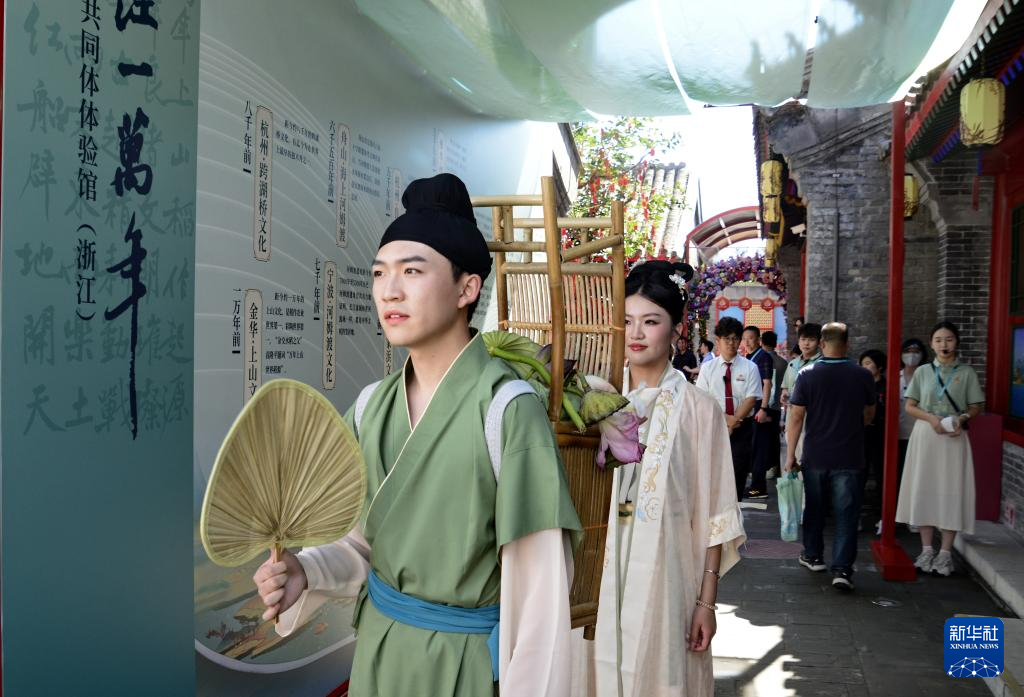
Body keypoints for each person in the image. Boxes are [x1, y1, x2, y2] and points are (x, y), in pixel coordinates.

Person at [252, 173, 582, 696]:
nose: (390, 290)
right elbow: (361, 544)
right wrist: (305, 571)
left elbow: (540, 597)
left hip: (463, 665)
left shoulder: (506, 409)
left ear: (467, 288)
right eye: (379, 273)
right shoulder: (370, 407)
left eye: (412, 270)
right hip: (379, 652)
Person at [574, 260, 745, 697]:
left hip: (668, 576)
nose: (636, 333)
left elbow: (716, 514)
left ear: (676, 329)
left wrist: (706, 602)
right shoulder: (592, 399)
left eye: (650, 321)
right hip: (595, 573)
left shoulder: (700, 410)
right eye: (628, 320)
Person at [786, 322, 876, 592]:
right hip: (850, 455)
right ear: (847, 344)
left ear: (822, 343)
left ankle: (813, 556)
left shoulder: (807, 374)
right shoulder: (862, 375)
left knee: (814, 508)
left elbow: (796, 417)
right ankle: (842, 569)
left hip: (816, 454)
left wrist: (790, 455)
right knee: (846, 513)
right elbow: (869, 414)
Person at [896, 322, 984, 577]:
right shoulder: (923, 372)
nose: (943, 344)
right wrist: (931, 419)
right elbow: (910, 406)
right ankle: (926, 550)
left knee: (951, 490)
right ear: (931, 344)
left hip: (954, 436)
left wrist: (962, 418)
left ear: (956, 342)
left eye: (948, 339)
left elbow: (976, 405)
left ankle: (945, 553)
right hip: (926, 434)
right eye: (938, 340)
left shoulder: (966, 372)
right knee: (923, 487)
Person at [696, 316, 763, 501]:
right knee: (713, 473)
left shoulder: (750, 367)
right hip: (714, 426)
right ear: (718, 341)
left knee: (737, 473)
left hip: (742, 428)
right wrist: (726, 420)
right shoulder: (708, 368)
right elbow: (703, 399)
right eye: (727, 339)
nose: (731, 343)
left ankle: (734, 510)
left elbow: (751, 399)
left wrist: (734, 422)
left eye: (735, 339)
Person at [781, 322, 822, 466]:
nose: (806, 343)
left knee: (808, 464)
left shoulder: (821, 364)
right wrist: (784, 394)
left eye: (811, 340)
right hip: (791, 420)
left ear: (819, 342)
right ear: (798, 341)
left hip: (811, 423)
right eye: (803, 339)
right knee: (793, 464)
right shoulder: (792, 364)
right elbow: (785, 387)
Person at [743, 325, 777, 499]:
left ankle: (758, 488)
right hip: (750, 408)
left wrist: (763, 408)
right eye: (744, 338)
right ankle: (754, 485)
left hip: (759, 408)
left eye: (750, 338)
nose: (747, 342)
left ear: (758, 339)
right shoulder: (749, 357)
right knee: (752, 448)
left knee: (759, 449)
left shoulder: (763, 357)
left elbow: (767, 383)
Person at [858, 349, 887, 496]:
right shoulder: (858, 385)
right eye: (862, 364)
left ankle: (881, 503)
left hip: (881, 432)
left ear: (880, 366)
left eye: (868, 363)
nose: (865, 367)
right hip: (862, 432)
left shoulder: (887, 386)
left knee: (881, 468)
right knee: (860, 469)